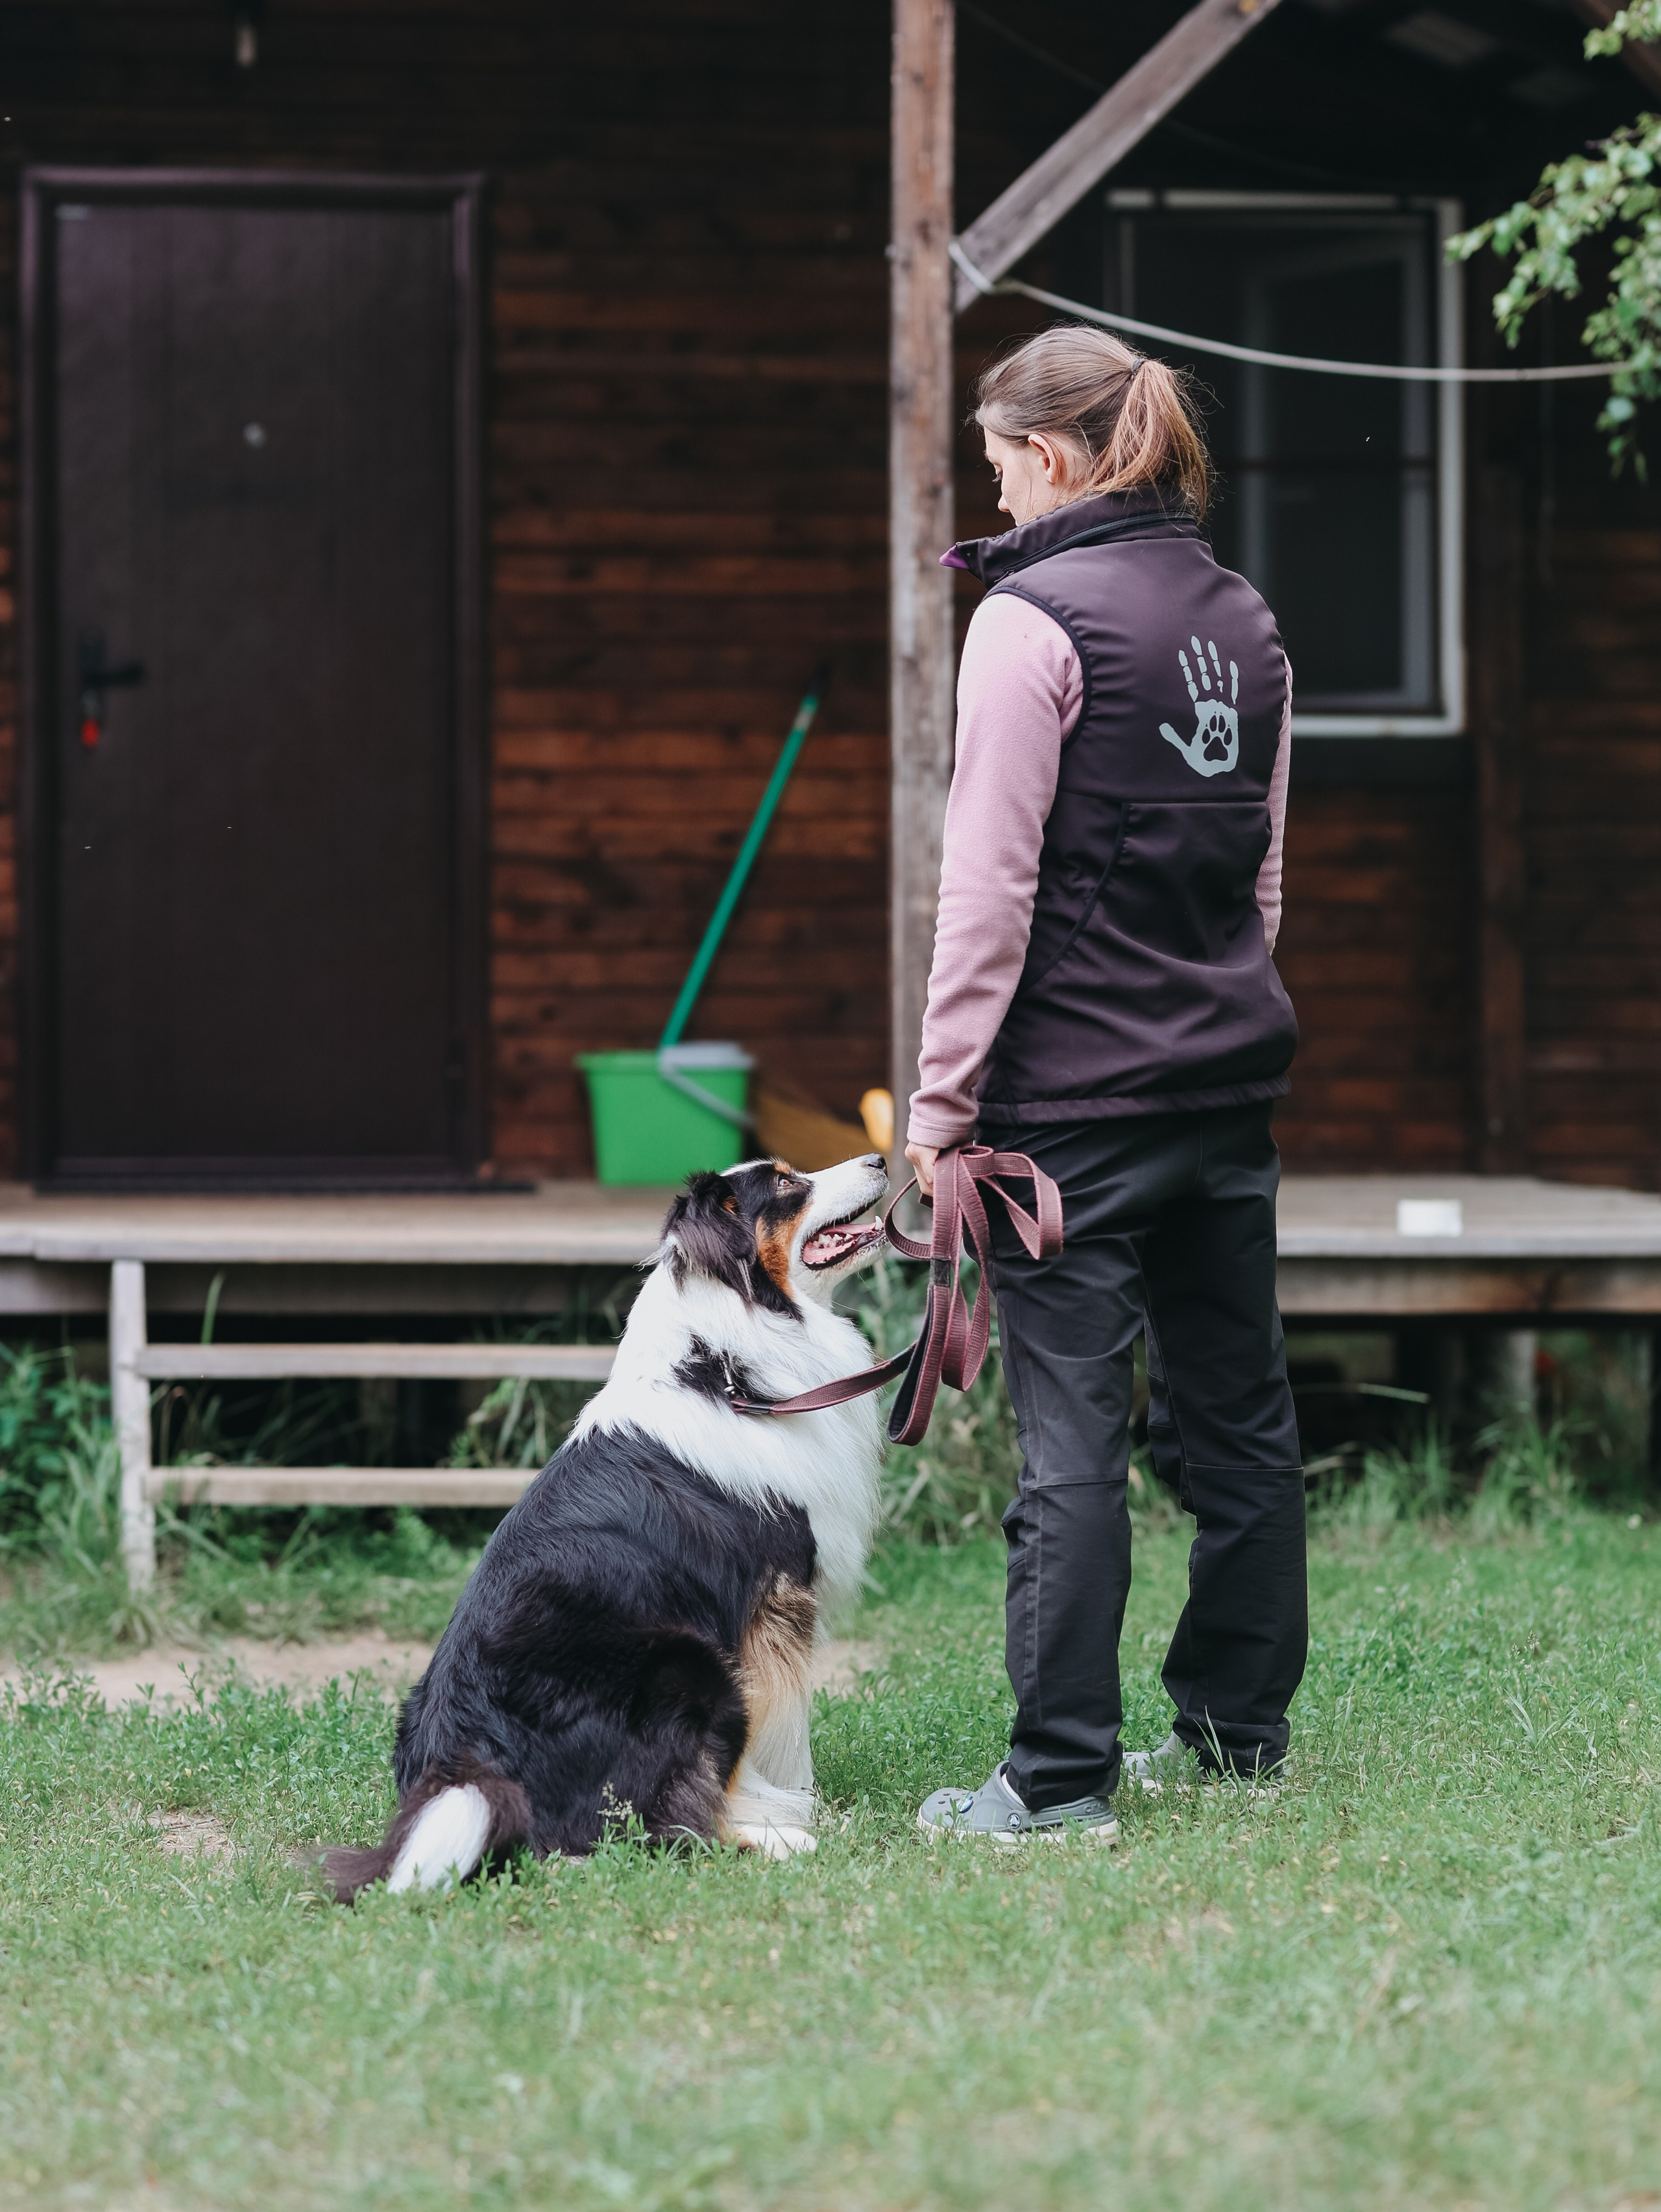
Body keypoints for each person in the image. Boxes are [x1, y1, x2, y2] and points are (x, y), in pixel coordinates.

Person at [909, 324, 1305, 1844]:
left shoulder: (1028, 622)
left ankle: (1060, 1776)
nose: (993, 489)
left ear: (1056, 455)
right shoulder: (1245, 619)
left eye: (999, 459)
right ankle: (1235, 1731)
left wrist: (943, 1110)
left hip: (1068, 1109)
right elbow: (1258, 881)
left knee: (1070, 1443)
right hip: (1222, 1088)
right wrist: (1205, 1012)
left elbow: (984, 893)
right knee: (1238, 1421)